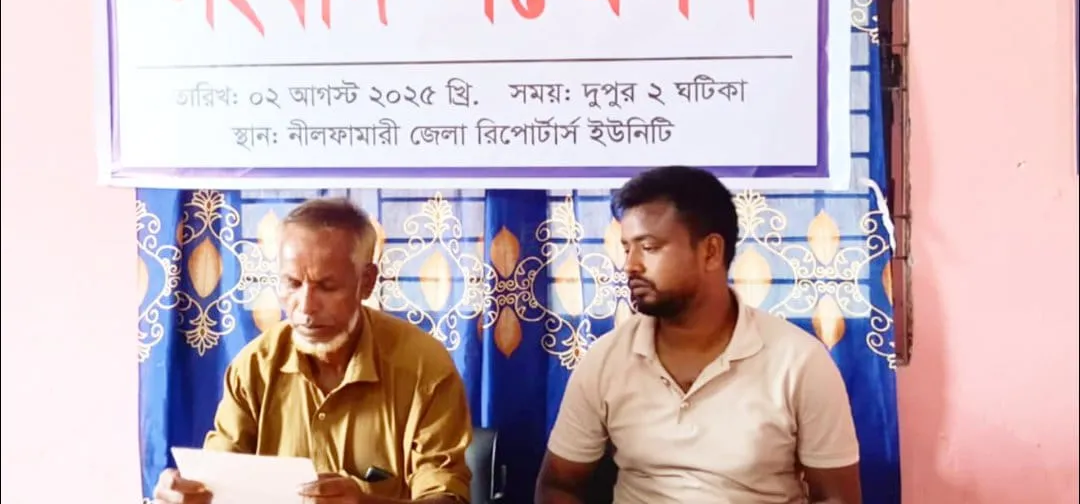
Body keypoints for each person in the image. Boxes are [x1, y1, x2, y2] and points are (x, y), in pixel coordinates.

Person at [535, 166, 862, 504]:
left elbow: (837, 499)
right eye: (626, 248)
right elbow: (559, 486)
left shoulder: (799, 361)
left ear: (711, 252)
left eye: (649, 247)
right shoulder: (606, 358)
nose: (630, 265)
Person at [152, 197, 472, 504]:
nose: (305, 308)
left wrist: (366, 503)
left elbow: (448, 498)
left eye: (327, 287)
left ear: (366, 283)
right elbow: (218, 481)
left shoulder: (425, 368)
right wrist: (187, 494)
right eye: (292, 284)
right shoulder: (254, 367)